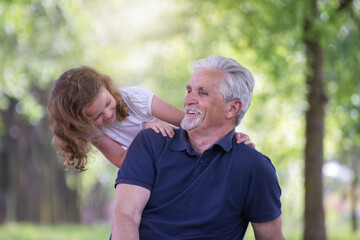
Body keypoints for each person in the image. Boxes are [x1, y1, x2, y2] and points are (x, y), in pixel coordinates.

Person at [112, 56, 285, 239]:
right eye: (189, 90)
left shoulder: (254, 167)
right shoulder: (151, 142)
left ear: (232, 108)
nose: (188, 100)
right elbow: (126, 214)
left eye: (202, 92)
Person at [47, 66, 254, 171]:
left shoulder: (135, 98)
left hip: (180, 156)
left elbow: (188, 121)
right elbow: (121, 160)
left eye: (108, 104)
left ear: (107, 87)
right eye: (97, 116)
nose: (108, 115)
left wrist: (230, 136)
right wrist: (145, 131)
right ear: (82, 122)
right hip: (147, 167)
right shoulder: (93, 131)